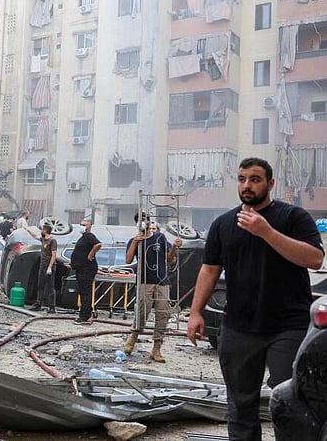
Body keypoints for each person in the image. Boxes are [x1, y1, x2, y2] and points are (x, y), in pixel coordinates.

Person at [186, 157, 324, 441]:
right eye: (242, 179)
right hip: (239, 328)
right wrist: (195, 312)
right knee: (240, 405)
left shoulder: (293, 217)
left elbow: (314, 258)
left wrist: (267, 232)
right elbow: (210, 269)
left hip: (288, 326)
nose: (247, 185)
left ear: (270, 183)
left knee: (290, 401)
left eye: (255, 179)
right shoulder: (223, 224)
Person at [124, 213, 182, 363]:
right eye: (140, 221)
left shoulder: (160, 238)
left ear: (150, 222)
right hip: (144, 282)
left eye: (145, 220)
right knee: (142, 311)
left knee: (163, 313)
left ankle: (156, 347)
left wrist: (174, 246)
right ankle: (132, 338)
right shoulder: (134, 240)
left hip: (162, 281)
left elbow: (169, 260)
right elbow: (128, 259)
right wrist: (135, 242)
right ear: (136, 224)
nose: (143, 223)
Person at [70, 218, 101, 325]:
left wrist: (91, 255)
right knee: (82, 292)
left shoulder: (90, 237)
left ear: (89, 226)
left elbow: (98, 244)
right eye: (81, 224)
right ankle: (85, 313)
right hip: (80, 268)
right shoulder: (83, 238)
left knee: (85, 292)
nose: (82, 226)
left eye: (84, 225)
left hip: (87, 269)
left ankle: (85, 315)